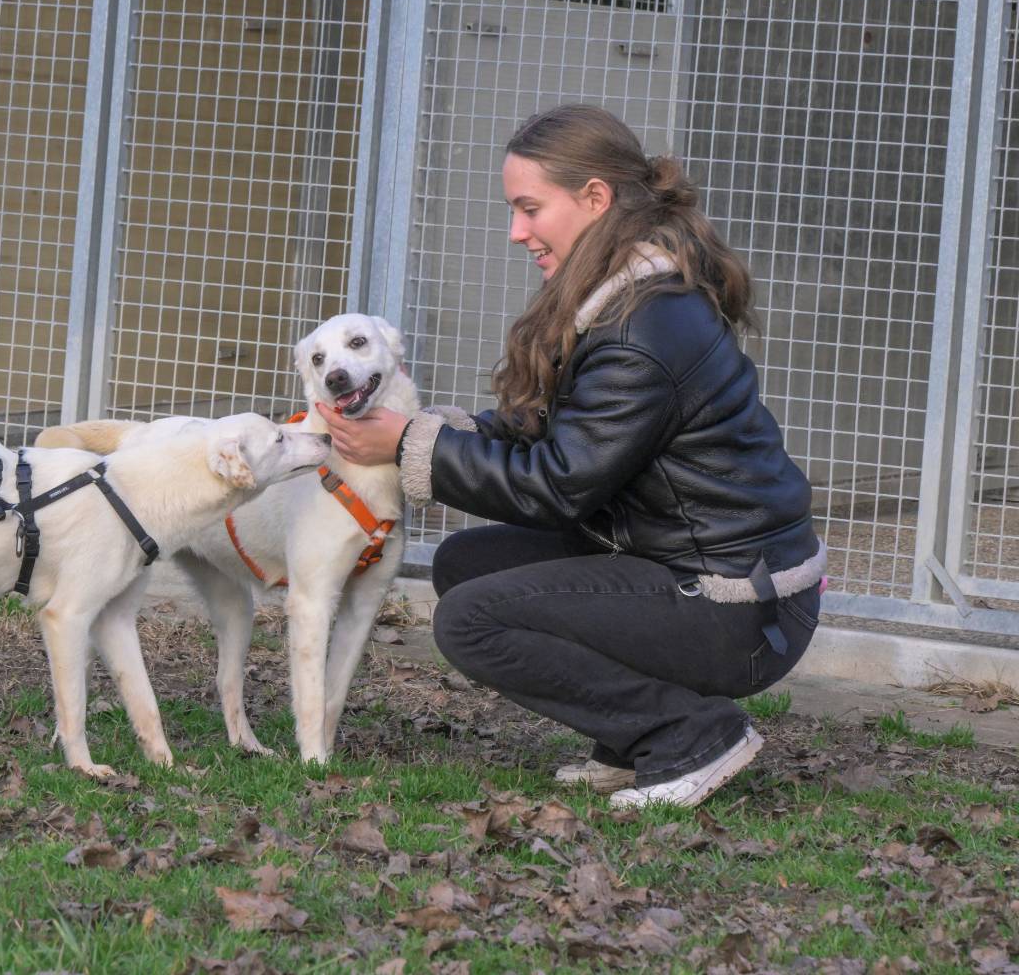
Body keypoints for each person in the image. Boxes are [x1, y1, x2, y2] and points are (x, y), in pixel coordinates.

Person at [316, 104, 824, 808]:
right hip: (700, 569)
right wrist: (434, 428)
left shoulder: (640, 328)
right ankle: (628, 739)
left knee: (472, 620)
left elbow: (557, 486)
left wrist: (407, 445)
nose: (516, 231)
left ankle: (692, 735)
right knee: (469, 566)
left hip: (739, 607)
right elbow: (554, 432)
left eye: (530, 208)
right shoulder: (631, 295)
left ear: (594, 198)